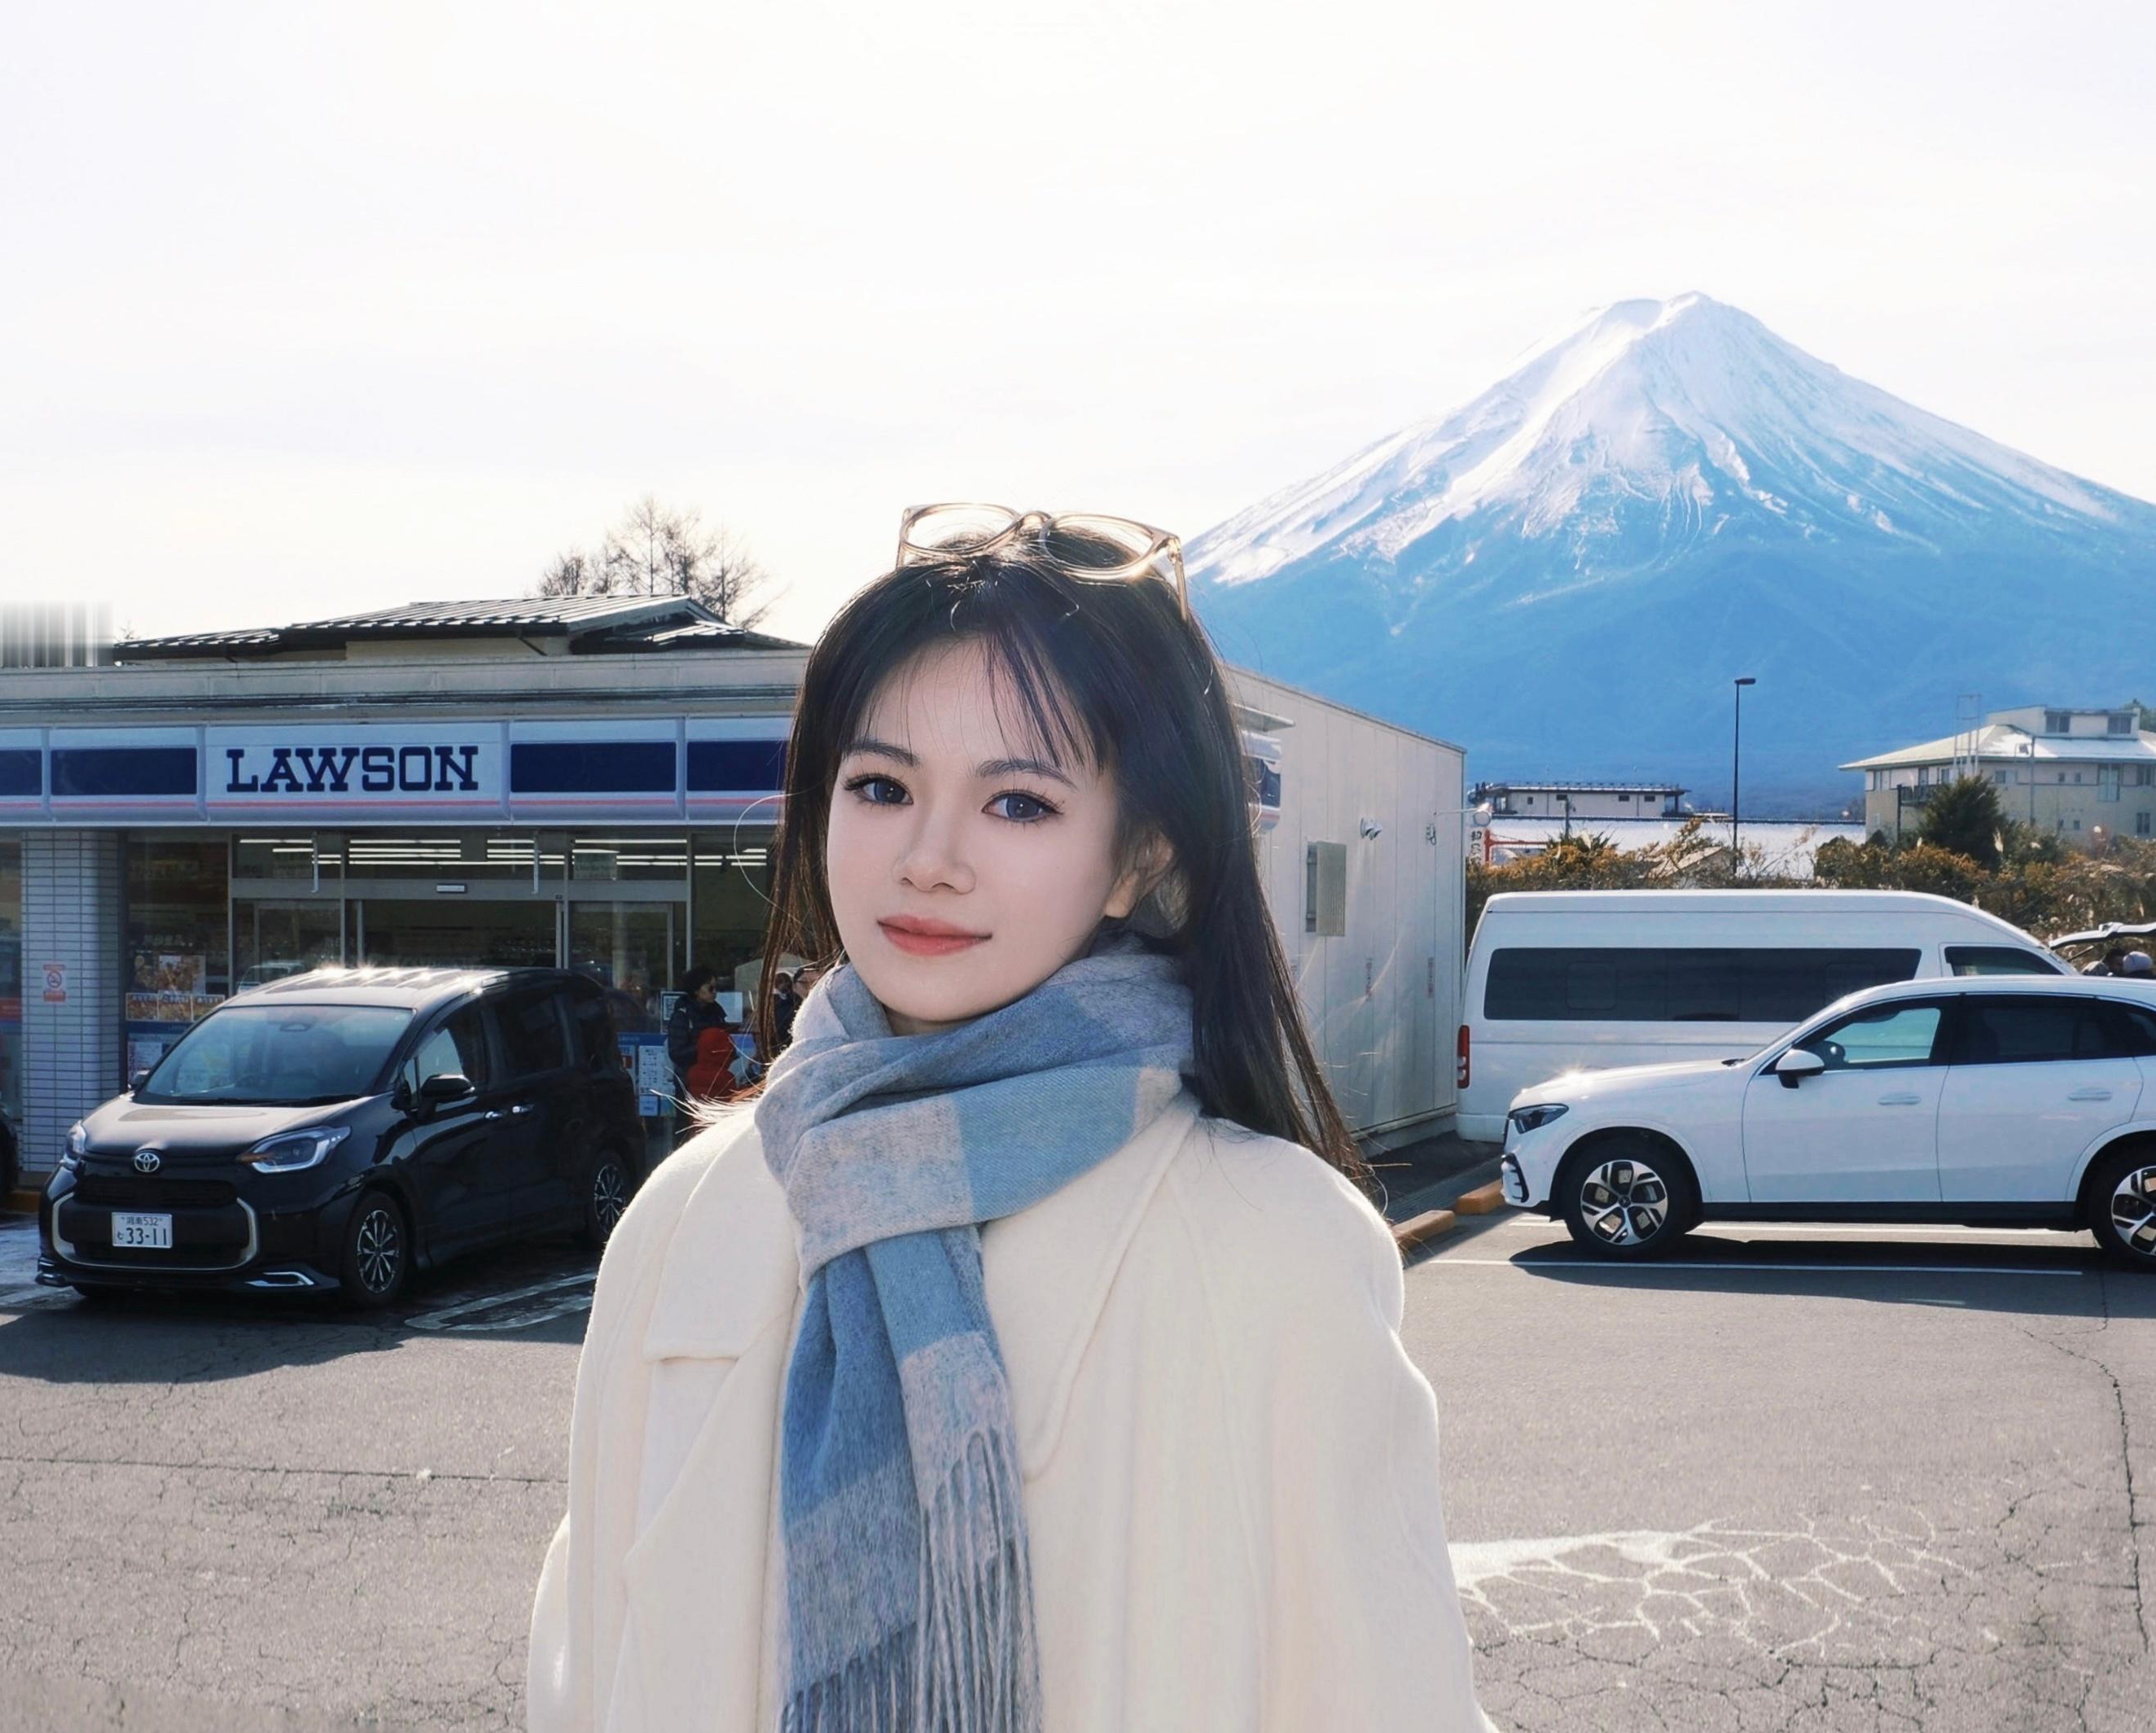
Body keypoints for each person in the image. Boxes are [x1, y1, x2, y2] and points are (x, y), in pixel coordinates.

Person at [528, 508, 1488, 1731]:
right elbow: (581, 1671)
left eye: (1017, 804)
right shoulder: (686, 1222)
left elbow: (1384, 1695)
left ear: (1138, 855)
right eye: (880, 786)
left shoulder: (1276, 1248)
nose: (928, 858)